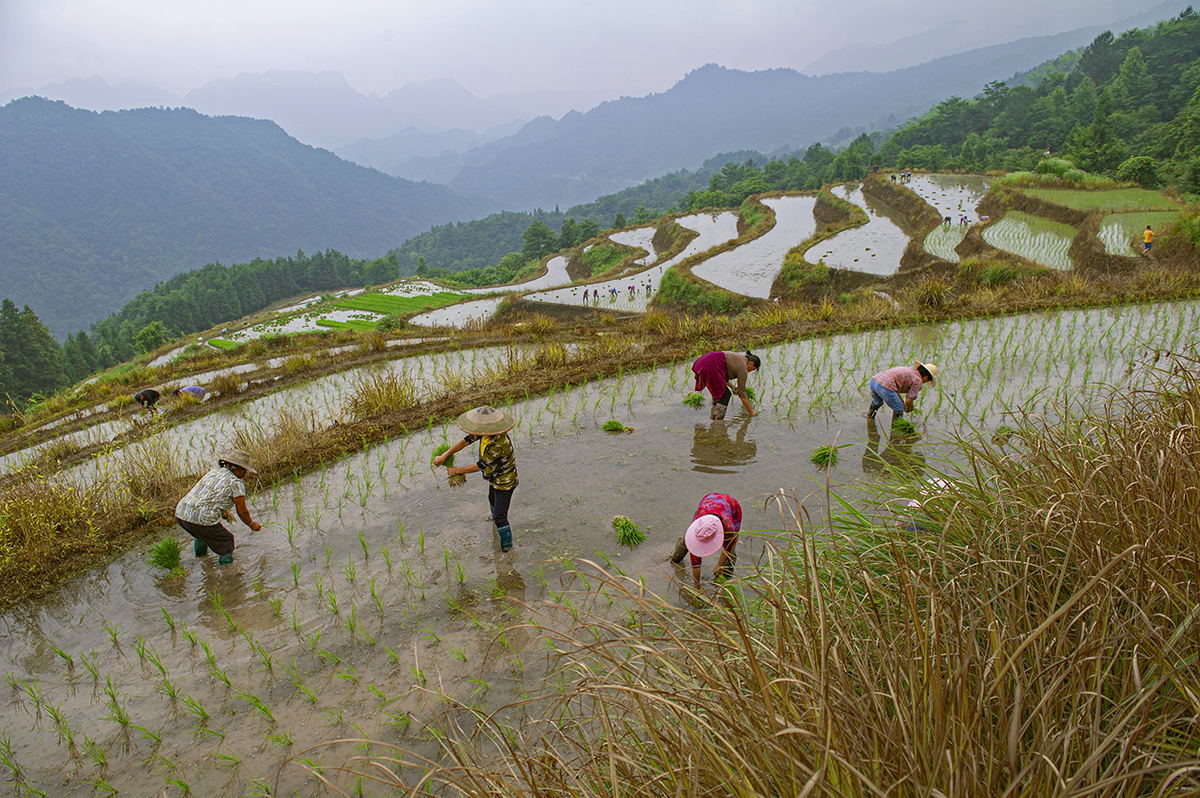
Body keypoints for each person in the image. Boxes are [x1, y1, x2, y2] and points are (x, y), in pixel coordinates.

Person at [433, 405, 519, 553]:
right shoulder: (486, 433)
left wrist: (456, 470)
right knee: (492, 500)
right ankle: (496, 527)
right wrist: (445, 455)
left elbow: (481, 465)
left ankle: (507, 550)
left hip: (505, 481)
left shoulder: (498, 443)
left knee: (500, 515)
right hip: (494, 476)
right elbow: (466, 441)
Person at [175, 449, 261, 566]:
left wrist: (223, 513)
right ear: (239, 469)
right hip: (201, 518)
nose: (244, 474)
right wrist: (252, 524)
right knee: (226, 540)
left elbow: (207, 497)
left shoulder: (213, 473)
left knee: (201, 534)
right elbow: (242, 511)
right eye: (244, 471)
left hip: (181, 513)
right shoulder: (236, 483)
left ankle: (201, 559)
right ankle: (227, 572)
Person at [672, 493, 741, 590]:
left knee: (730, 554)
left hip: (731, 505)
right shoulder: (698, 523)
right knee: (688, 541)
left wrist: (719, 565)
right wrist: (697, 586)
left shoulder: (728, 526)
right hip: (708, 503)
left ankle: (725, 580)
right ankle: (675, 559)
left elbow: (729, 546)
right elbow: (695, 560)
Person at [690, 350, 760, 420]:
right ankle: (717, 420)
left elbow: (722, 376)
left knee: (718, 388)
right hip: (709, 366)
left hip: (702, 361)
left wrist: (732, 387)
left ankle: (714, 408)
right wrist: (751, 412)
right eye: (752, 369)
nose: (750, 371)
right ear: (751, 364)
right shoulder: (743, 368)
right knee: (725, 394)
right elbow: (742, 394)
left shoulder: (739, 358)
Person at [867, 361, 938, 423]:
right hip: (885, 386)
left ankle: (869, 418)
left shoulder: (910, 371)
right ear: (926, 377)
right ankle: (895, 431)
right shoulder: (918, 380)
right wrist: (910, 407)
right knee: (899, 409)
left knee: (877, 402)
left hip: (875, 381)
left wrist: (901, 402)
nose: (925, 382)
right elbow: (909, 399)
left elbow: (895, 387)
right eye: (927, 381)